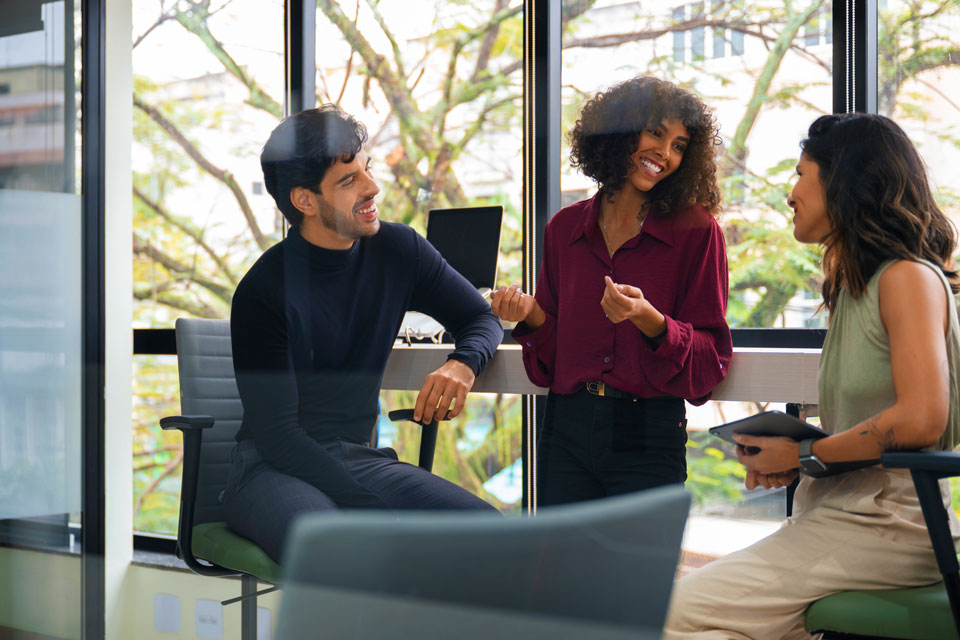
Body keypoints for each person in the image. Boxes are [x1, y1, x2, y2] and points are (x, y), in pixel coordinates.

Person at [664, 113, 960, 639]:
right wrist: (794, 459)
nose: (790, 193)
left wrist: (804, 455)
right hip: (842, 518)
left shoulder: (907, 278)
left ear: (843, 182)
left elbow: (920, 420)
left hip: (890, 528)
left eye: (801, 175)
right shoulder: (854, 288)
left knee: (666, 613)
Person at [225, 105, 502, 563]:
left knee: (491, 535)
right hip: (269, 471)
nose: (372, 187)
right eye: (348, 181)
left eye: (367, 169)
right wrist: (375, 511)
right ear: (305, 200)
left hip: (357, 460)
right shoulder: (264, 292)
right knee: (343, 553)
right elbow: (279, 439)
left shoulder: (399, 250)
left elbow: (481, 318)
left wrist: (463, 364)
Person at [491, 76, 732, 506]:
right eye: (655, 132)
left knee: (638, 554)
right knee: (560, 551)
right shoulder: (563, 229)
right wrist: (531, 315)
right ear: (620, 131)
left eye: (679, 145)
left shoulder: (698, 232)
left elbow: (709, 362)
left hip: (647, 430)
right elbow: (550, 367)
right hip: (565, 426)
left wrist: (652, 322)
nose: (665, 153)